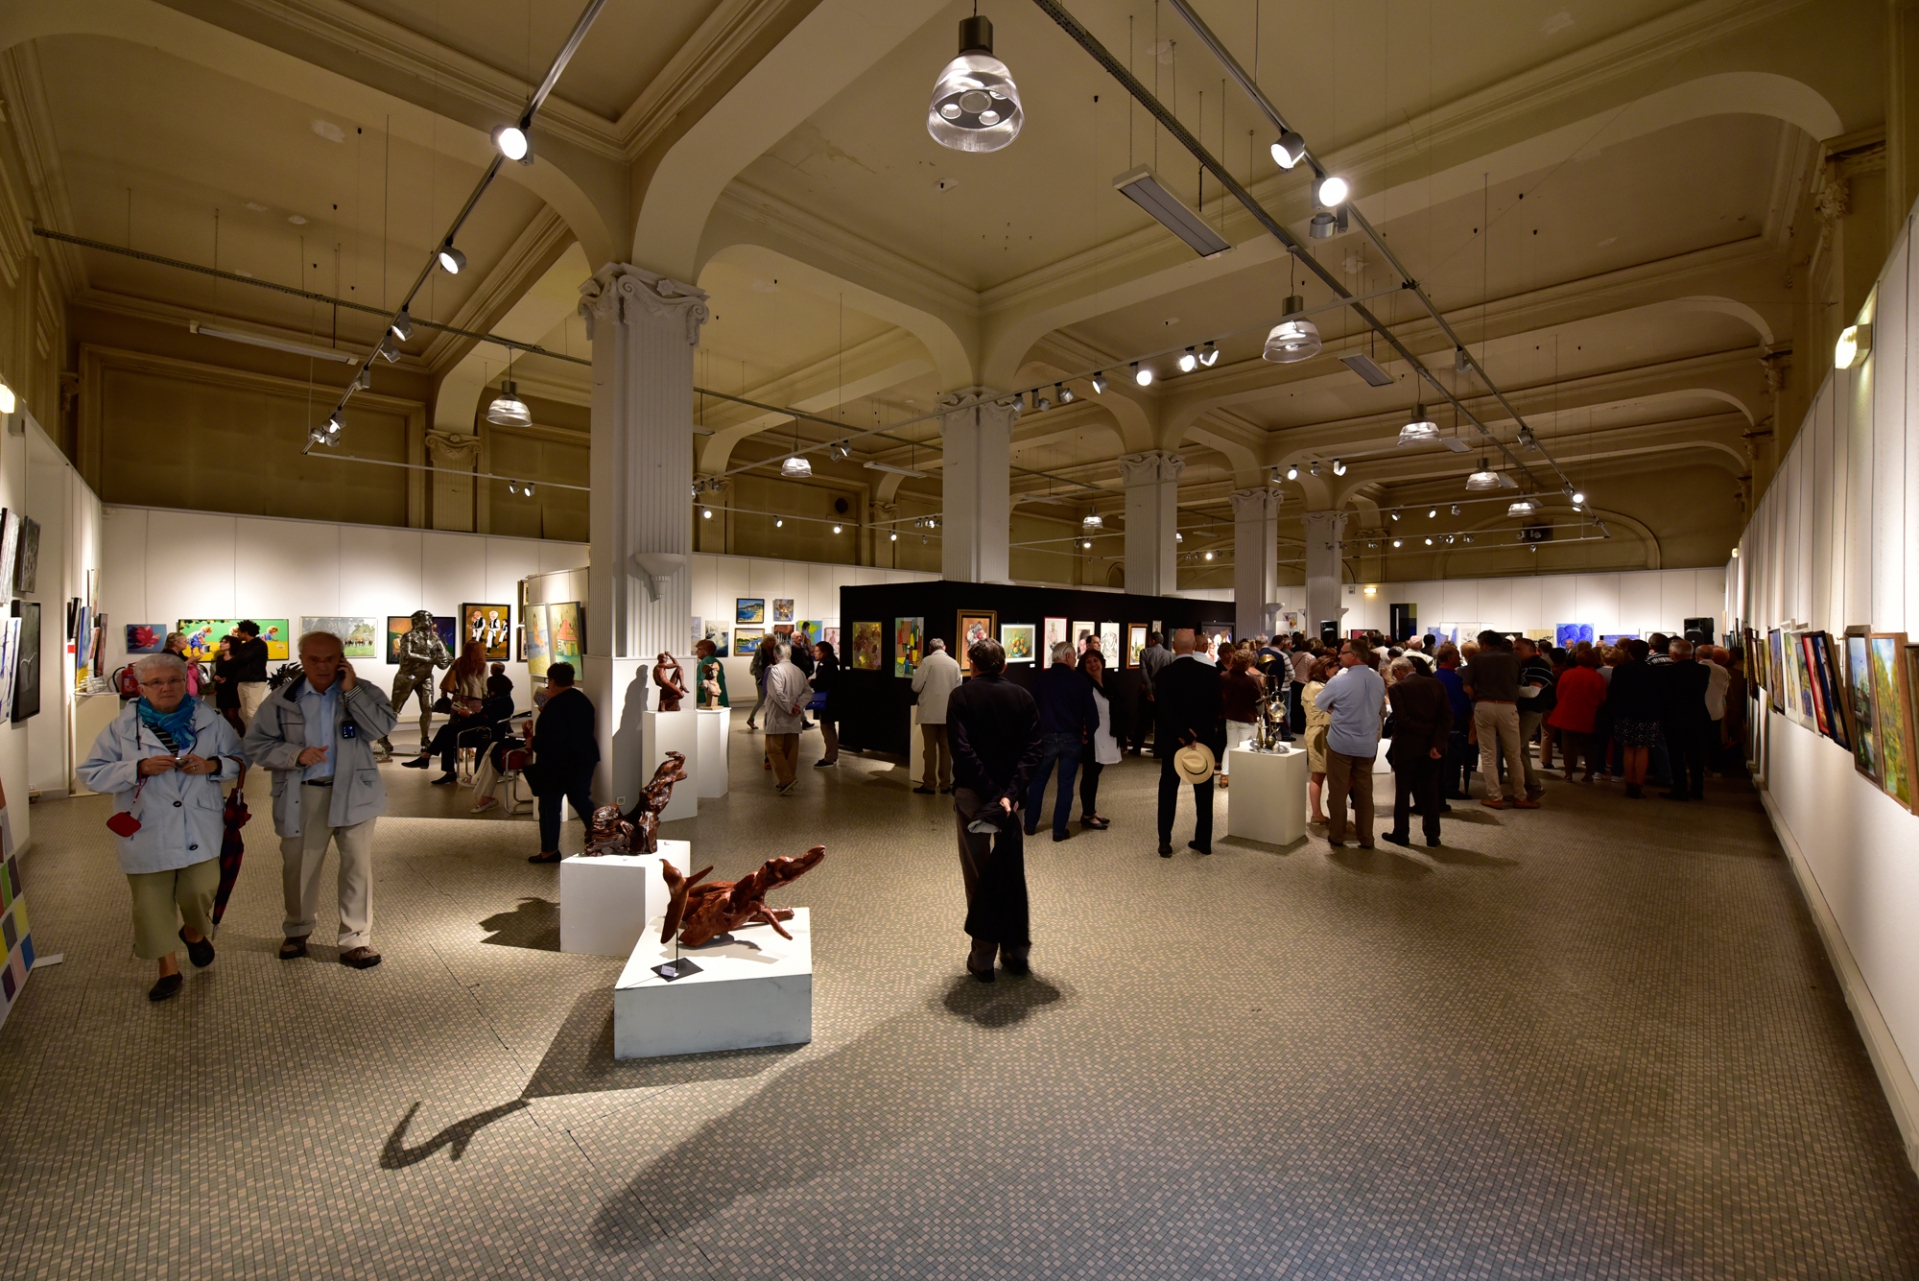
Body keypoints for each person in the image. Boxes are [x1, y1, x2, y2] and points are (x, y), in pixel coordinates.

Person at [78, 651, 245, 1001]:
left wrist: (212, 765)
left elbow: (240, 760)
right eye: (156, 682)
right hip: (147, 827)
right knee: (152, 904)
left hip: (199, 823)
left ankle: (194, 934)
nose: (165, 688)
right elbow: (90, 774)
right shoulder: (121, 729)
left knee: (201, 889)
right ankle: (168, 970)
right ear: (141, 687)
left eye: (173, 680)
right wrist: (135, 769)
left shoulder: (210, 719)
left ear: (184, 682)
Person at [244, 630, 399, 968]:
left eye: (330, 658)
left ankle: (355, 941)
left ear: (341, 659)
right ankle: (297, 930)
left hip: (355, 793)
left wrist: (352, 692)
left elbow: (381, 728)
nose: (323, 666)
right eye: (314, 659)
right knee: (300, 867)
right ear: (303, 660)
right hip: (303, 795)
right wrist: (295, 755)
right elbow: (256, 744)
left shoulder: (363, 691)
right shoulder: (282, 699)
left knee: (357, 868)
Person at [945, 637, 1043, 982]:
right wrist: (1010, 795)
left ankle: (983, 958)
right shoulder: (1023, 697)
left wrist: (991, 794)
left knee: (978, 876)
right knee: (1010, 872)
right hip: (1011, 804)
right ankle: (1016, 952)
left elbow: (962, 751)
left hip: (975, 798)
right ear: (1003, 666)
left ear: (972, 665)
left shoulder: (961, 697)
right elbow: (1034, 751)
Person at [1153, 629, 1224, 857]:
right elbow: (1216, 710)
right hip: (1202, 741)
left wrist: (1182, 733)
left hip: (1173, 742)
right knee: (1203, 792)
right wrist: (1196, 734)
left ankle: (1165, 841)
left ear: (1174, 645)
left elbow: (1162, 710)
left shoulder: (1163, 674)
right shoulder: (1210, 673)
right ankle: (1204, 841)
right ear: (1194, 646)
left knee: (1168, 790)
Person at [523, 662, 598, 861]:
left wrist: (533, 741)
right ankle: (602, 838)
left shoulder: (555, 706)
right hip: (583, 760)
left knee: (549, 805)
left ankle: (549, 850)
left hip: (557, 763)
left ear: (552, 681)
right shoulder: (582, 700)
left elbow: (554, 739)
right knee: (581, 801)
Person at [1316, 639, 1386, 848]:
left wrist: (1336, 711)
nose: (1339, 656)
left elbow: (1320, 703)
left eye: (1343, 653)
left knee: (1337, 791)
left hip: (1341, 742)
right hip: (1367, 744)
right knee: (1364, 792)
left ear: (1354, 655)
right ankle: (1367, 837)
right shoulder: (1377, 679)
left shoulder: (1339, 680)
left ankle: (1337, 835)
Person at [1027, 641, 1097, 841]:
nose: (1075, 661)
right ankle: (1059, 831)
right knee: (1066, 785)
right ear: (1067, 657)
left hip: (1045, 737)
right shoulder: (1079, 681)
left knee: (1038, 781)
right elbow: (1091, 715)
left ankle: (1030, 825)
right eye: (1074, 657)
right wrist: (1087, 735)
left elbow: (1030, 711)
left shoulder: (1039, 680)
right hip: (1071, 738)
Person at [1382, 655, 1451, 849]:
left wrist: (1425, 731)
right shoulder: (1436, 685)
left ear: (1397, 671)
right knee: (1430, 791)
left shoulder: (1398, 689)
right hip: (1432, 748)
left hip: (1406, 746)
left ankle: (1401, 833)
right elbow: (1446, 717)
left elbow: (1403, 720)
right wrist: (1436, 742)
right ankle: (1432, 835)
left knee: (1403, 792)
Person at [1463, 631, 1532, 810]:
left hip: (1484, 705)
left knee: (1488, 754)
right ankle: (1520, 796)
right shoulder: (1513, 659)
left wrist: (1479, 697)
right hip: (1508, 706)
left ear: (1484, 643)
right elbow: (1518, 684)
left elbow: (1467, 686)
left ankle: (1495, 797)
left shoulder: (1477, 660)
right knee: (1514, 754)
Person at [405, 640, 491, 783]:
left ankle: (434, 762)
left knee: (448, 730)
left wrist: (445, 695)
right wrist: (485, 700)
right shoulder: (482, 665)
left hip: (458, 700)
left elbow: (449, 680)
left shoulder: (459, 662)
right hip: (475, 701)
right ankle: (432, 761)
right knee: (453, 731)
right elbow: (484, 686)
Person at [1604, 639, 1663, 798]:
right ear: (1648, 652)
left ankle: (1629, 783)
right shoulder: (1654, 671)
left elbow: (1613, 693)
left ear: (1629, 653)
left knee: (1628, 749)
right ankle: (1639, 784)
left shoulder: (1620, 670)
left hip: (1625, 713)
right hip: (1647, 714)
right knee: (1643, 750)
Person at [1659, 639, 1713, 801]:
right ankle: (1697, 789)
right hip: (1698, 715)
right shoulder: (1704, 671)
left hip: (1674, 717)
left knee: (1676, 755)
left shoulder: (1667, 672)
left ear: (1673, 654)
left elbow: (1665, 696)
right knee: (1696, 755)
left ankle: (1680, 788)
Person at [910, 637, 963, 794]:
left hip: (929, 713)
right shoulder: (954, 664)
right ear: (944, 648)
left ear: (930, 649)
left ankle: (929, 784)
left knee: (930, 750)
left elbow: (916, 686)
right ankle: (945, 784)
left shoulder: (927, 662)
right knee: (946, 749)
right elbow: (958, 689)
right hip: (948, 713)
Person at [1077, 647, 1121, 830]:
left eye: (1096, 660)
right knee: (1090, 774)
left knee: (1095, 774)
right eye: (1088, 662)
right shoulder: (1084, 684)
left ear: (1102, 662)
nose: (1093, 664)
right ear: (1084, 666)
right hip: (1092, 736)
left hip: (1107, 733)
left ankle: (1091, 811)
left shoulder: (1109, 682)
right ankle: (1087, 814)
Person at [1547, 648, 1607, 782]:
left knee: (1568, 744)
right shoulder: (1597, 677)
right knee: (1589, 746)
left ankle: (1568, 772)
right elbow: (1601, 698)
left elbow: (1559, 694)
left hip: (1567, 712)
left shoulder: (1568, 674)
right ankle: (1589, 774)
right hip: (1588, 713)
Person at [466, 674, 521, 813]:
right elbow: (485, 716)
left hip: (492, 733)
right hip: (489, 732)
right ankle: (479, 784)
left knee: (493, 747)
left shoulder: (502, 702)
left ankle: (479, 784)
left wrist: (475, 716)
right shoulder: (494, 700)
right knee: (493, 748)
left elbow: (489, 720)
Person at [762, 642, 810, 794]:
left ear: (776, 656)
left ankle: (787, 779)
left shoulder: (775, 670)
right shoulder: (799, 671)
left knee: (773, 749)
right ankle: (787, 780)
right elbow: (808, 692)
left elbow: (777, 693)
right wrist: (798, 706)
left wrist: (790, 708)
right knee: (791, 751)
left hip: (778, 717)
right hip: (794, 719)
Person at [1513, 637, 1555, 802]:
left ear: (1531, 649)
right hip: (1522, 710)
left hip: (1531, 711)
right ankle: (1527, 786)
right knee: (1519, 749)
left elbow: (1532, 692)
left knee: (1518, 748)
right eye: (1514, 648)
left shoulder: (1540, 665)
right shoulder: (1523, 665)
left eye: (1519, 649)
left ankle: (1534, 786)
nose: (1515, 651)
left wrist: (1509, 690)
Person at [1433, 643, 1473, 800]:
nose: (1459, 659)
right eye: (1457, 656)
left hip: (1438, 723)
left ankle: (1440, 786)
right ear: (1450, 658)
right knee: (1454, 758)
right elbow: (1463, 703)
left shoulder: (1434, 677)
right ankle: (1451, 788)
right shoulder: (1456, 679)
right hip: (1455, 723)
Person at [1218, 648, 1263, 784]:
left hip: (1230, 716)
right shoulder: (1250, 681)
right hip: (1247, 717)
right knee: (1244, 747)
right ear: (1247, 663)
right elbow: (1257, 699)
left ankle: (1224, 776)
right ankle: (1241, 777)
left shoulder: (1223, 676)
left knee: (1230, 745)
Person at [1302, 656, 1334, 825]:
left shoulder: (1310, 686)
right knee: (1319, 774)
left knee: (1318, 774)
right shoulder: (1319, 688)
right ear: (1326, 669)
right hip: (1321, 732)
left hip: (1317, 730)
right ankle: (1316, 813)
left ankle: (1317, 813)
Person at [1133, 630, 1172, 755]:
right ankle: (1159, 750)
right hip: (1163, 693)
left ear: (1153, 641)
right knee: (1161, 722)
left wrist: (1149, 690)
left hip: (1146, 693)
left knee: (1142, 722)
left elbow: (1144, 674)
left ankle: (1137, 748)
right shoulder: (1170, 655)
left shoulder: (1145, 652)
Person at [227, 620, 271, 726]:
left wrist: (235, 659)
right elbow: (236, 661)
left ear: (245, 632)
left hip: (254, 682)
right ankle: (249, 739)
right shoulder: (244, 646)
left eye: (239, 631)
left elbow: (241, 659)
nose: (237, 634)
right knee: (246, 713)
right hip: (243, 681)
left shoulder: (259, 645)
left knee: (252, 713)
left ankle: (255, 739)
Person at [811, 640, 841, 766]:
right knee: (829, 729)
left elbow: (824, 683)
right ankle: (832, 755)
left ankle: (829, 757)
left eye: (817, 651)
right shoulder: (824, 664)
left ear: (824, 652)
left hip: (828, 702)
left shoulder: (829, 665)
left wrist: (811, 683)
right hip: (827, 701)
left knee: (827, 729)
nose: (815, 653)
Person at [210, 635, 246, 736]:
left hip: (233, 689)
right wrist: (216, 677)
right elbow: (218, 672)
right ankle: (231, 739)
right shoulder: (220, 658)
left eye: (225, 642)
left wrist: (228, 679)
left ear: (232, 645)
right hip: (222, 690)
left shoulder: (237, 658)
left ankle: (243, 736)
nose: (221, 644)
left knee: (233, 715)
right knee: (226, 715)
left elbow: (239, 674)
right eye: (221, 641)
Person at [747, 635, 777, 731]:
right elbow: (755, 664)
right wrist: (762, 675)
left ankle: (771, 721)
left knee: (772, 699)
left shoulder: (775, 649)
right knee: (761, 700)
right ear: (766, 641)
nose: (772, 642)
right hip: (761, 677)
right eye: (769, 640)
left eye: (773, 640)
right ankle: (751, 719)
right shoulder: (760, 650)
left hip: (772, 676)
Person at [162, 632, 206, 698]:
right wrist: (189, 661)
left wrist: (193, 661)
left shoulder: (179, 653)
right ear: (176, 643)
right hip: (174, 688)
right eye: (185, 641)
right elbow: (172, 670)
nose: (187, 643)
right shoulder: (166, 655)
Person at [694, 638, 728, 709]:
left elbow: (704, 682)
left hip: (706, 698)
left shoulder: (705, 662)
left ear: (706, 651)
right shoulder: (717, 662)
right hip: (719, 696)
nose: (697, 652)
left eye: (699, 649)